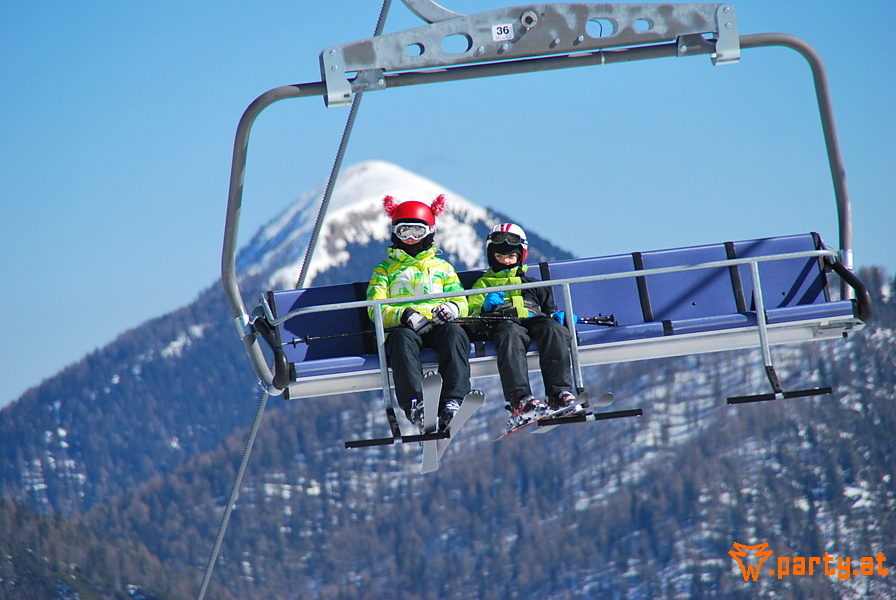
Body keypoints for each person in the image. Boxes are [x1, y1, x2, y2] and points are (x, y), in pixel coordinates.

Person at [367, 194, 472, 434]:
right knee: (401, 340)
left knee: (455, 334)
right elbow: (375, 308)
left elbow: (460, 300)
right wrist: (404, 315)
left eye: (417, 231)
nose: (411, 238)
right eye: (405, 232)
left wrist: (451, 309)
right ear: (395, 234)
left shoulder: (443, 268)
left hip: (438, 325)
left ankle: (452, 400)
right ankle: (416, 405)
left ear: (430, 232)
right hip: (406, 329)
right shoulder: (385, 270)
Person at [468, 223, 583, 433]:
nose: (505, 261)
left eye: (511, 256)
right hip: (504, 324)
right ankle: (519, 400)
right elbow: (472, 316)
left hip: (533, 322)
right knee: (510, 333)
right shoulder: (483, 285)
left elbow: (549, 312)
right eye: (500, 257)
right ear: (491, 256)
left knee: (554, 329)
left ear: (520, 256)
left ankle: (559, 394)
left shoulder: (532, 284)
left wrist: (559, 318)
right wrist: (484, 307)